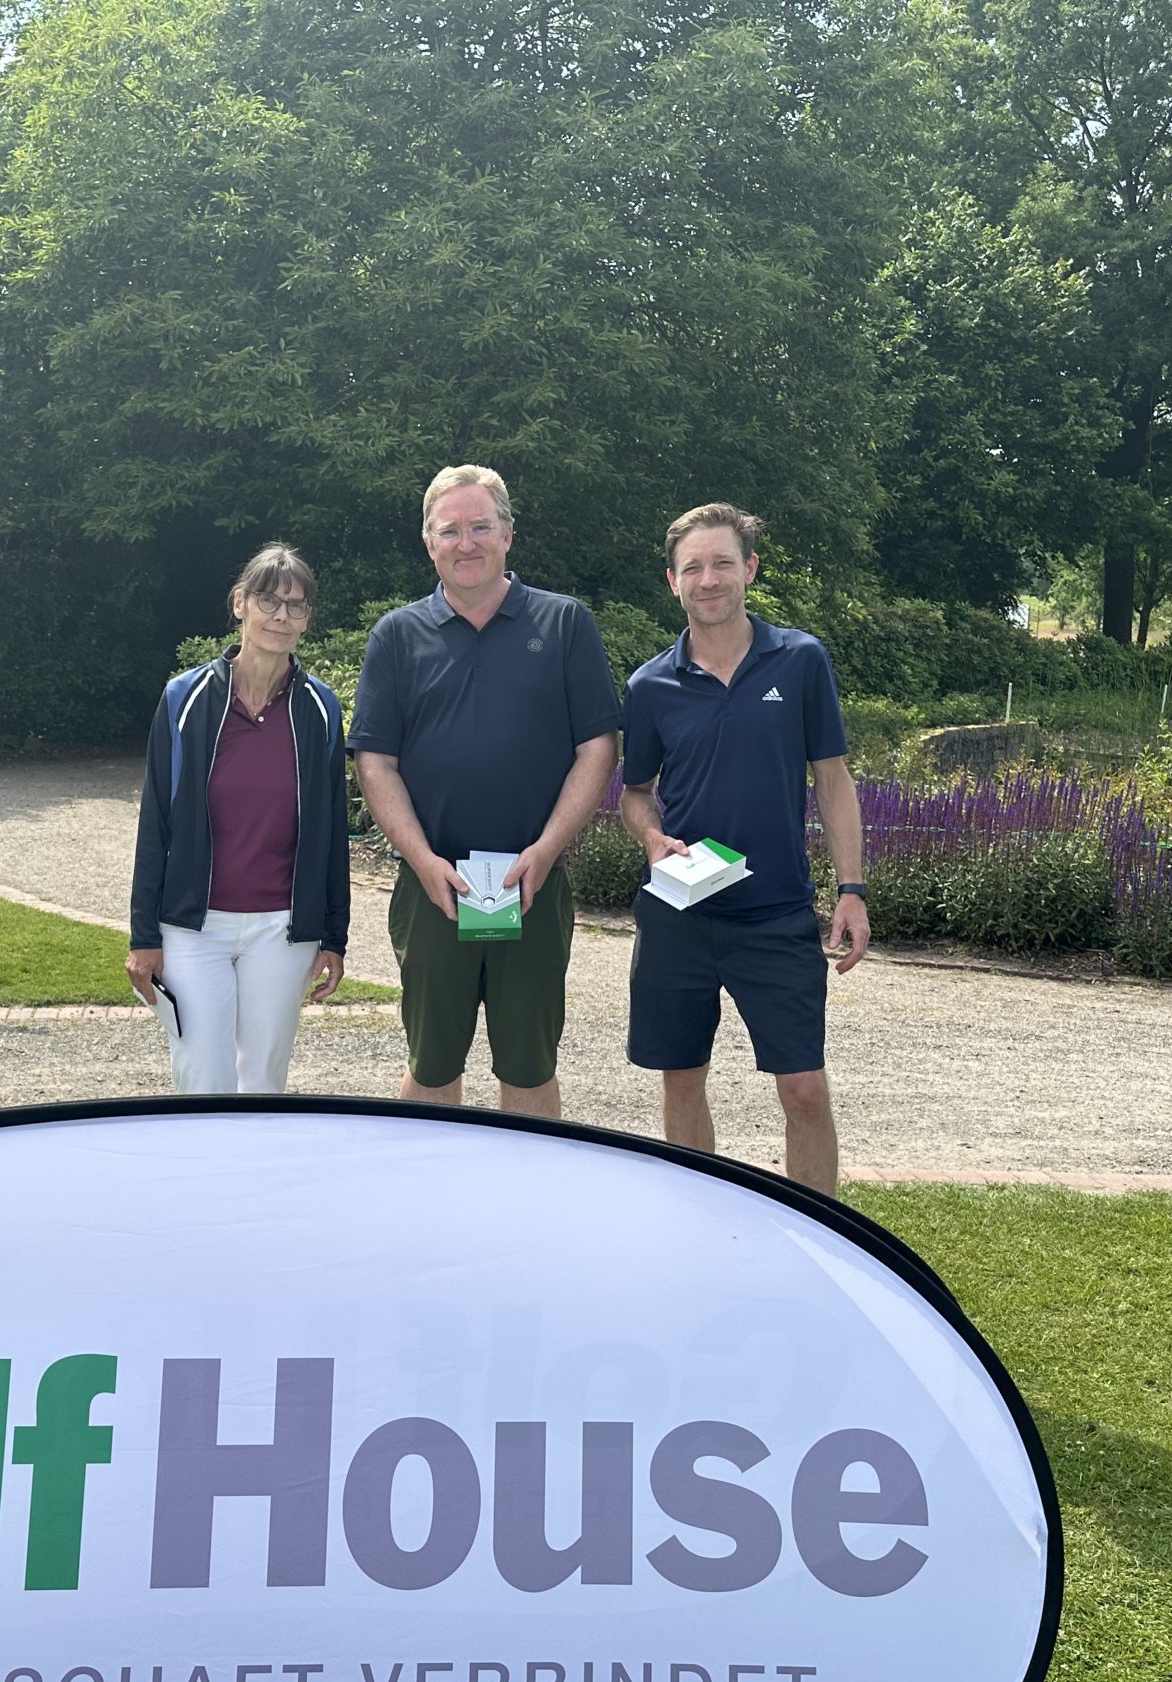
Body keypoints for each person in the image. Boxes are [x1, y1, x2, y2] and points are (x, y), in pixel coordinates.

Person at [352, 464, 622, 1116]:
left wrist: (547, 850)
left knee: (529, 1070)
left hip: (532, 884)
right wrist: (423, 860)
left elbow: (597, 749)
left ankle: (525, 1188)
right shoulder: (397, 635)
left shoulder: (564, 623)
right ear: (429, 542)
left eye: (480, 526)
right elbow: (376, 762)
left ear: (507, 534)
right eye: (450, 530)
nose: (465, 542)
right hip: (433, 888)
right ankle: (433, 1186)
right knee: (431, 1066)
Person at [618, 503, 869, 1193]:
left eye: (723, 563)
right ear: (672, 581)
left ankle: (817, 1233)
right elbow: (634, 793)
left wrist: (851, 890)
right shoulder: (650, 685)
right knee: (681, 1078)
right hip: (679, 915)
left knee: (804, 1089)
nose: (709, 579)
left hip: (776, 913)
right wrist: (650, 835)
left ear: (750, 569)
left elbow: (833, 779)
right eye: (693, 567)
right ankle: (697, 1221)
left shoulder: (801, 659)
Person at [127, 544, 350, 1093]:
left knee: (264, 1082)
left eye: (296, 606)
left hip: (282, 929)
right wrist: (143, 934)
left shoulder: (321, 709)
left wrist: (334, 936)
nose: (281, 616)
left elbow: (331, 832)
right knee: (202, 1077)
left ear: (308, 619)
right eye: (268, 600)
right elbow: (155, 823)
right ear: (239, 604)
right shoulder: (184, 699)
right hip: (193, 927)